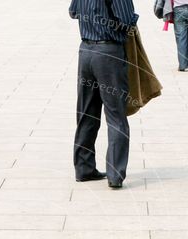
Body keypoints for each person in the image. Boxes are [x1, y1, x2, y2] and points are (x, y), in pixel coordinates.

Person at [68, 0, 138, 190]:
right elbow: (125, 20)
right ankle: (115, 175)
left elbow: (73, 12)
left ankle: (84, 168)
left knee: (86, 113)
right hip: (109, 54)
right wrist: (133, 19)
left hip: (86, 52)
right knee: (116, 117)